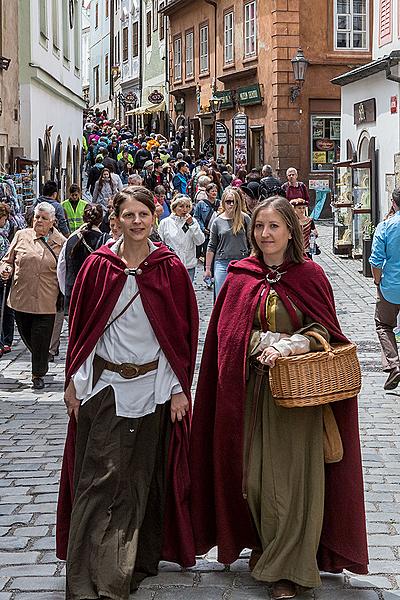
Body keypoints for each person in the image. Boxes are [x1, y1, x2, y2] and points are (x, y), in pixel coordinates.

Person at [190, 196, 368, 600]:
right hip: (250, 392)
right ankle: (268, 547)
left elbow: (326, 330)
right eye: (259, 227)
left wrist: (294, 345)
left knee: (291, 483)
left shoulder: (311, 276)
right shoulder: (240, 276)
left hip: (297, 399)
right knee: (252, 480)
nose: (265, 234)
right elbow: (226, 335)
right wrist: (260, 341)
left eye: (273, 226)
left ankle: (291, 567)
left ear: (291, 230)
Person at [56, 186, 199, 600]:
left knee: (139, 479)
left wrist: (177, 390)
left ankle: (126, 566)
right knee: (98, 480)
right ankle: (87, 581)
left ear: (154, 217)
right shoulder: (99, 267)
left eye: (144, 214)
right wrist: (74, 384)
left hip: (152, 389)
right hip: (105, 388)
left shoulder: (168, 268)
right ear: (116, 218)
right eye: (129, 215)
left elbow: (180, 334)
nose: (137, 222)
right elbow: (83, 331)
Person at [0, 202, 66, 389]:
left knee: (41, 337)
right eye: (37, 217)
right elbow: (7, 260)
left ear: (52, 221)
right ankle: (40, 357)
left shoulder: (60, 242)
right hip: (21, 298)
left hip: (46, 300)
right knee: (26, 334)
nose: (39, 221)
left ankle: (38, 373)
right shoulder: (21, 236)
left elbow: (64, 271)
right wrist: (5, 269)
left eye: (44, 218)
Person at [370, 187, 400, 390]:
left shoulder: (386, 226)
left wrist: (377, 281)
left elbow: (376, 261)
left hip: (391, 285)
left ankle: (394, 364)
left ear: (393, 202)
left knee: (383, 324)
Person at [58, 204, 106, 314]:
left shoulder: (71, 240)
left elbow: (61, 269)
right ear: (101, 220)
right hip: (96, 301)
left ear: (83, 217)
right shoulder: (106, 241)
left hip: (73, 298)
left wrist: (67, 291)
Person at [205, 187, 250, 297]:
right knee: (222, 295)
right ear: (223, 202)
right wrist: (207, 268)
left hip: (242, 260)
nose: (231, 204)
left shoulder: (245, 219)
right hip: (222, 261)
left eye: (234, 201)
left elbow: (252, 242)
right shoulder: (217, 221)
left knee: (241, 295)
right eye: (228, 201)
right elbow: (211, 246)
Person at [158, 195, 205, 282]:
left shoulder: (193, 221)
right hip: (171, 265)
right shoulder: (165, 222)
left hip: (188, 264)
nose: (185, 209)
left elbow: (200, 241)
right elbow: (160, 243)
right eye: (181, 206)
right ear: (174, 207)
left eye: (187, 206)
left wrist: (192, 225)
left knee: (187, 293)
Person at [0, 203, 14, 357]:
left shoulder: (4, 234)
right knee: (6, 308)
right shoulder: (2, 236)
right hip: (4, 275)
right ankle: (5, 340)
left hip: (5, 275)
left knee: (6, 309)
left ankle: (5, 340)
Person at [194, 183, 220, 259]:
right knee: (207, 252)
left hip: (217, 233)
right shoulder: (201, 204)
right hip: (206, 233)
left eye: (216, 191)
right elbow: (196, 217)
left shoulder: (220, 203)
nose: (214, 193)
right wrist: (203, 228)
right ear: (207, 192)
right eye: (212, 191)